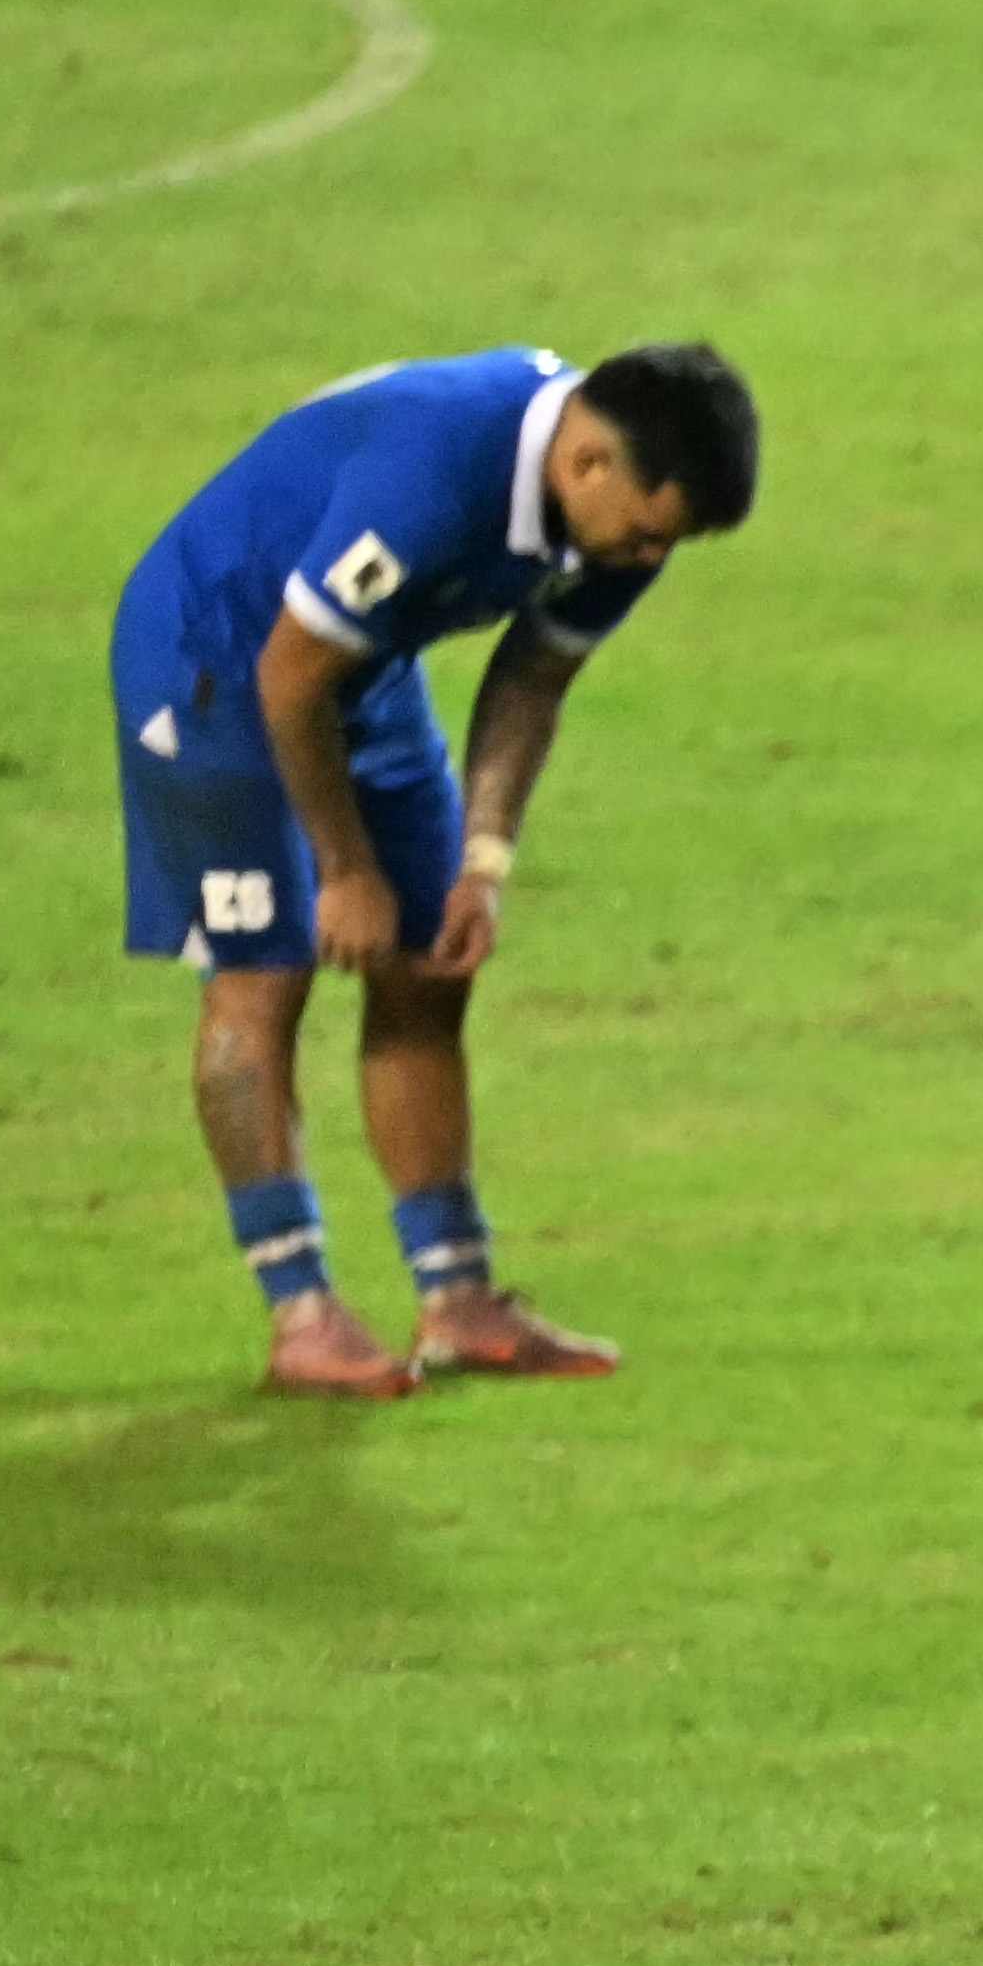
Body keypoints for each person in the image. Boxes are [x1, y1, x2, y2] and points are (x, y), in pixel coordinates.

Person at [113, 342, 760, 1396]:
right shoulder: (435, 472)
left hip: (358, 667)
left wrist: (483, 861)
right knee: (263, 974)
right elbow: (288, 676)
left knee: (430, 964)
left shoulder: (619, 516)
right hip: (213, 666)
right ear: (588, 462)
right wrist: (343, 868)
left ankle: (457, 1299)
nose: (650, 559)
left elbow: (534, 679)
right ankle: (301, 1312)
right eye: (648, 534)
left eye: (669, 543)